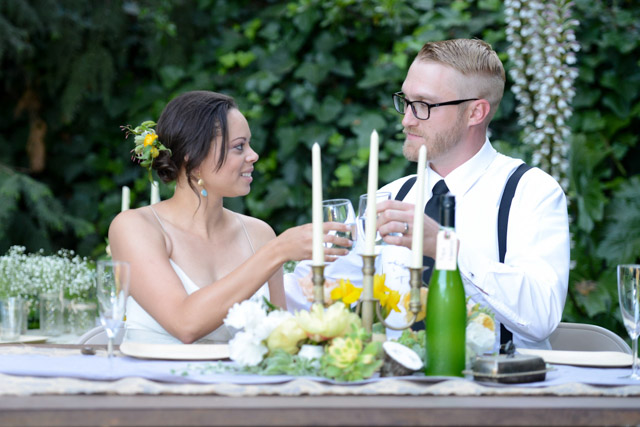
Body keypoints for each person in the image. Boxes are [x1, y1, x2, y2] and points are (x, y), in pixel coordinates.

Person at [285, 39, 570, 350]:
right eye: (405, 101)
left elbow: (542, 316)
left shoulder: (530, 192)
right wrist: (269, 256)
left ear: (475, 112)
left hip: (498, 392)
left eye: (423, 105)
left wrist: (445, 247)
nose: (406, 119)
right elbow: (310, 293)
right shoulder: (389, 196)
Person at [109, 91, 351, 344]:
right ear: (193, 156)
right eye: (239, 146)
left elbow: (281, 340)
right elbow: (185, 323)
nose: (253, 155)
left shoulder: (259, 234)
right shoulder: (135, 227)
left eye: (249, 144)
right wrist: (277, 251)